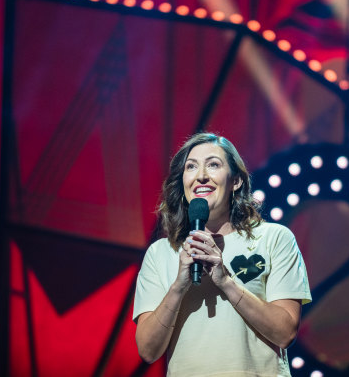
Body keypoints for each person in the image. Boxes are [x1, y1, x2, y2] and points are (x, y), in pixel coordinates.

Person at [133, 133, 311, 376]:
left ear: (235, 180)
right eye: (191, 167)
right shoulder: (161, 252)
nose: (201, 175)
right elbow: (148, 350)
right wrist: (178, 286)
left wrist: (226, 282)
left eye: (213, 164)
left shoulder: (274, 238)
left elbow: (285, 333)